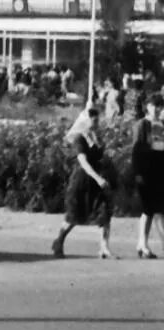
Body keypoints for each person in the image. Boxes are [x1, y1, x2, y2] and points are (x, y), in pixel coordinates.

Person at [54, 104, 115, 259]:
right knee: (74, 215)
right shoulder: (79, 139)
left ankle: (104, 248)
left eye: (97, 121)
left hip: (98, 180)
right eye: (93, 121)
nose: (96, 124)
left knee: (104, 212)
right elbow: (83, 162)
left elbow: (101, 156)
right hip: (82, 180)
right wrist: (97, 178)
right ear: (86, 121)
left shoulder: (96, 138)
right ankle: (59, 241)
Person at [131, 93, 164, 258]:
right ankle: (142, 243)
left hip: (160, 170)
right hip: (146, 171)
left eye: (160, 106)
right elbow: (136, 150)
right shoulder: (142, 124)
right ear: (148, 106)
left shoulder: (162, 124)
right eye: (154, 105)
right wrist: (138, 172)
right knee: (148, 208)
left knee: (155, 209)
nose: (157, 109)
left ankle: (142, 244)